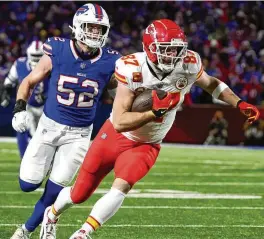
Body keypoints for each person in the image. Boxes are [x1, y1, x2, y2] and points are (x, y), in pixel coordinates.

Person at [41, 19, 260, 239]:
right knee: (79, 193)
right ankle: (51, 215)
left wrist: (238, 103)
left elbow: (211, 84)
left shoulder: (189, 63)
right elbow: (119, 121)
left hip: (147, 143)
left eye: (176, 49)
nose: (172, 55)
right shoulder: (131, 67)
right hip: (116, 135)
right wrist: (154, 112)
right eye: (166, 49)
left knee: (122, 186)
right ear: (149, 47)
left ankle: (84, 232)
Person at [10, 3, 121, 239]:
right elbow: (29, 81)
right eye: (90, 27)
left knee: (53, 194)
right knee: (27, 184)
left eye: (99, 29)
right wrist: (19, 107)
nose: (94, 33)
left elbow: (120, 96)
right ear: (78, 26)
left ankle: (26, 230)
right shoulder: (58, 49)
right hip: (49, 127)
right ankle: (46, 165)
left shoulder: (110, 61)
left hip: (79, 135)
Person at [0, 40, 49, 159]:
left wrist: (48, 95)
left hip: (46, 106)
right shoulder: (20, 64)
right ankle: (24, 159)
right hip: (27, 105)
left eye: (39, 56)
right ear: (28, 54)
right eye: (34, 56)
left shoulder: (51, 64)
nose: (36, 59)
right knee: (21, 126)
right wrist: (5, 93)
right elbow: (9, 81)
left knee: (43, 136)